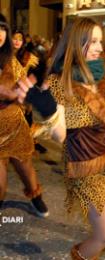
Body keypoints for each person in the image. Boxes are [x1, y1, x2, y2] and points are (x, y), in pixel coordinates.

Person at [47, 17, 105, 259]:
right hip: (85, 164)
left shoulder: (100, 72)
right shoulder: (59, 82)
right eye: (93, 42)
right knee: (102, 236)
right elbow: (59, 135)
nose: (100, 47)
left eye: (100, 40)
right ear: (76, 43)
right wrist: (49, 110)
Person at [0, 14, 49, 217]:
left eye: (2, 29)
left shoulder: (11, 59)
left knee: (25, 168)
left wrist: (27, 91)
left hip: (15, 125)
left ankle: (36, 196)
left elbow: (24, 85)